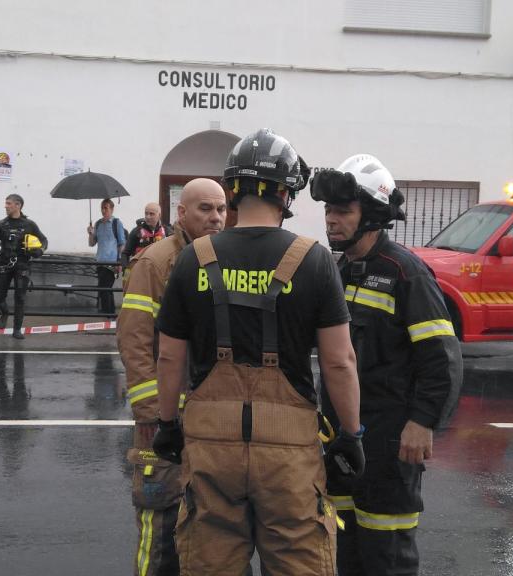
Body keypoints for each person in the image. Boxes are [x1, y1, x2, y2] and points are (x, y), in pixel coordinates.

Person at [152, 129, 365, 576]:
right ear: (287, 193)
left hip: (211, 447)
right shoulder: (315, 260)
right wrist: (350, 433)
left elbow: (169, 356)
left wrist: (167, 424)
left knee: (210, 563)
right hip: (288, 455)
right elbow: (339, 361)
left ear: (233, 189)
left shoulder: (195, 258)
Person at [311, 154, 462, 576]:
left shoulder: (406, 273)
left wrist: (423, 422)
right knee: (343, 548)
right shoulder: (339, 271)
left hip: (391, 442)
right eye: (328, 210)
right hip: (343, 439)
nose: (331, 220)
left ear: (373, 215)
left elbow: (442, 359)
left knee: (386, 555)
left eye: (342, 211)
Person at [117, 179, 227, 576]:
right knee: (160, 524)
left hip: (209, 418)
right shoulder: (156, 262)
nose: (215, 217)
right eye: (205, 209)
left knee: (205, 526)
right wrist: (152, 414)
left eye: (221, 209)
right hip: (162, 420)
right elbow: (134, 340)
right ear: (181, 213)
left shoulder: (221, 259)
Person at [0, 194, 48, 340]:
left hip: (22, 265)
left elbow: (44, 240)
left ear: (18, 205)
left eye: (9, 203)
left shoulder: (29, 224)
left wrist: (40, 251)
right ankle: (5, 312)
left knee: (20, 297)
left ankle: (17, 329)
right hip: (4, 264)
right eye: (6, 203)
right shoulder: (0, 224)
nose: (5, 206)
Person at [87, 198, 126, 314]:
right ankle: (108, 313)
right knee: (104, 289)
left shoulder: (116, 223)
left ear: (112, 209)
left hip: (112, 263)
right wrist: (90, 234)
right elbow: (92, 243)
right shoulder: (98, 224)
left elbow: (122, 243)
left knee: (105, 287)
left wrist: (119, 261)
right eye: (102, 208)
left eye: (106, 208)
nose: (103, 210)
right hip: (99, 262)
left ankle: (109, 312)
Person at [121, 202, 172, 268]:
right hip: (140, 271)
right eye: (146, 213)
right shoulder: (136, 232)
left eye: (151, 214)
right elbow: (125, 253)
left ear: (159, 215)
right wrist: (126, 269)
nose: (148, 217)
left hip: (160, 273)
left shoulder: (167, 232)